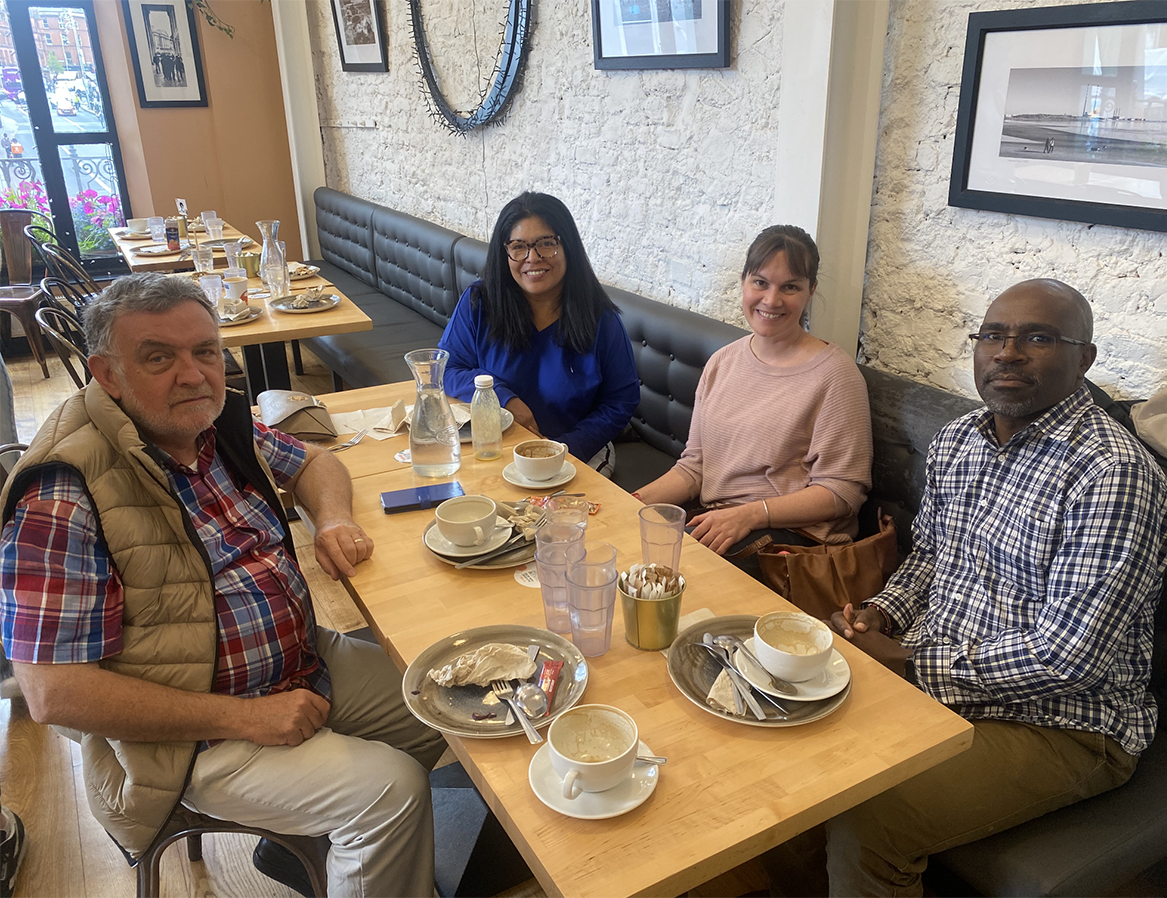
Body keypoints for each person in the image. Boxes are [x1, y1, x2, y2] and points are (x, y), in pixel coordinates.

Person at [0, 274, 446, 898]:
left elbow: (315, 461)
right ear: (107, 373)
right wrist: (246, 717)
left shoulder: (210, 425)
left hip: (299, 661)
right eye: (158, 357)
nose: (192, 375)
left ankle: (325, 842)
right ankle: (357, 837)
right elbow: (52, 694)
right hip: (186, 739)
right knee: (390, 791)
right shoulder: (62, 489)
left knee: (444, 702)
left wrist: (334, 519)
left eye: (205, 351)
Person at [762, 278, 1167, 898]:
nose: (1007, 352)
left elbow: (1070, 659)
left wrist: (907, 659)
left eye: (1038, 337)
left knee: (870, 814)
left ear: (1084, 359)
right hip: (936, 679)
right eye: (993, 335)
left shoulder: (1112, 477)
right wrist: (881, 612)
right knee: (784, 752)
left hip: (1063, 724)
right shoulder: (960, 441)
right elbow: (933, 556)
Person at [633, 225, 872, 567]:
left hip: (793, 541)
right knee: (626, 546)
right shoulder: (723, 362)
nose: (772, 300)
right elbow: (695, 467)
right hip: (722, 521)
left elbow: (841, 493)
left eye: (790, 287)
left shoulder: (835, 375)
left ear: (810, 291)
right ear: (744, 282)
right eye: (760, 282)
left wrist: (750, 515)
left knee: (666, 575)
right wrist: (632, 502)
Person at [438, 192, 640, 476]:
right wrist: (503, 398)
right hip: (495, 447)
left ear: (568, 246)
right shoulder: (480, 302)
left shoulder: (600, 319)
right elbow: (447, 369)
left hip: (575, 450)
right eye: (518, 247)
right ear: (504, 252)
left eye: (547, 244)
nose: (532, 258)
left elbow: (621, 400)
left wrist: (564, 448)